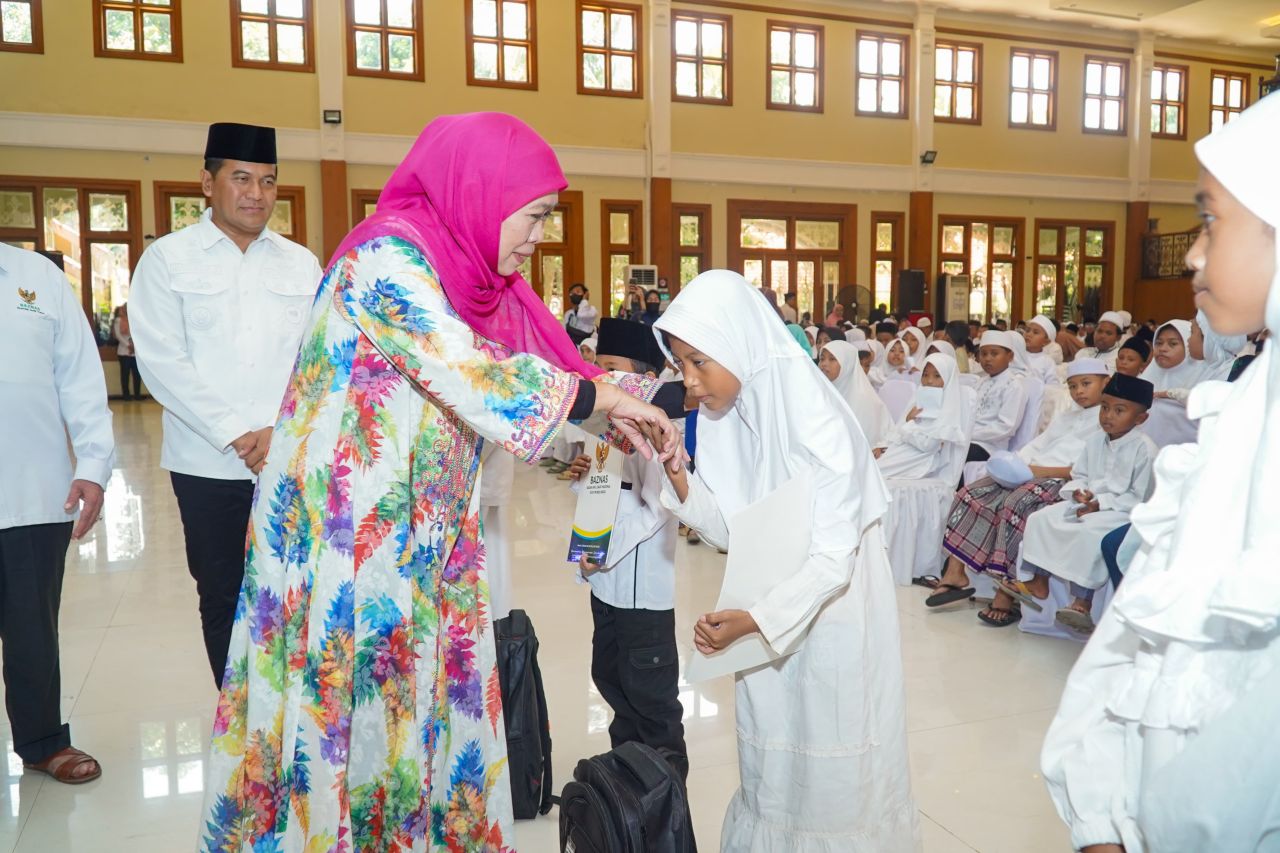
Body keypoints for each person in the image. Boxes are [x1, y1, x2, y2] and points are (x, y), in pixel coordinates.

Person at [197, 113, 680, 851]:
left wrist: (615, 421)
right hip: (344, 551)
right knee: (347, 726)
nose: (539, 236)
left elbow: (528, 377)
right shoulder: (386, 262)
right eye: (535, 216)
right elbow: (471, 370)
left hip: (422, 540)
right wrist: (598, 399)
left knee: (420, 720)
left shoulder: (474, 282)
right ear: (481, 195)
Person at [1040, 91, 1279, 853]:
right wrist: (1104, 811)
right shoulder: (1253, 400)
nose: (1197, 254)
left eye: (1211, 219)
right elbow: (1144, 636)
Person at [648, 269, 919, 851]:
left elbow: (831, 557)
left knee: (832, 764)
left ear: (740, 342)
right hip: (770, 602)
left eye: (699, 362)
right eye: (681, 366)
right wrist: (677, 470)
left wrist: (757, 620)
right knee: (774, 764)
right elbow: (733, 532)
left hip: (831, 611)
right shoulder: (731, 412)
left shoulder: (814, 416)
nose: (690, 383)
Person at [129, 122, 324, 687]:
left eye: (267, 181)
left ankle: (293, 725)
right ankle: (239, 731)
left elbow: (317, 361)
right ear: (207, 183)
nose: (256, 193)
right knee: (224, 597)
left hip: (288, 460)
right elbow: (164, 363)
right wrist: (241, 434)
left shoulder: (300, 263)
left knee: (296, 593)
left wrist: (281, 435)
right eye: (240, 178)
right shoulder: (168, 260)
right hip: (207, 466)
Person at [0, 244, 115, 785]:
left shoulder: (37, 277)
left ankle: (44, 740)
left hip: (32, 488)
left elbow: (80, 375)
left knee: (32, 628)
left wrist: (93, 463)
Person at [566, 318, 687, 779]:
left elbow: (658, 506)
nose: (604, 381)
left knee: (653, 708)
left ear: (642, 380)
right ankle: (628, 794)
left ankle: (664, 809)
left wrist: (603, 551)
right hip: (606, 589)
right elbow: (601, 497)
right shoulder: (607, 429)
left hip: (643, 597)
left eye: (613, 370)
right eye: (599, 368)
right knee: (614, 688)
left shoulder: (659, 432)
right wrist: (584, 479)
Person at [926, 359, 1111, 618]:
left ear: (1106, 382)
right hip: (1032, 471)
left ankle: (1006, 592)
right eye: (1073, 386)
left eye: (1086, 384)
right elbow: (1038, 443)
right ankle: (955, 573)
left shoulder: (1110, 418)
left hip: (1061, 481)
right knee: (971, 494)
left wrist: (1037, 472)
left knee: (1016, 503)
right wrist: (1018, 464)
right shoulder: (1068, 414)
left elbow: (1083, 469)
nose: (1079, 391)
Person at [1018, 373, 1157, 633]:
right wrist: (1080, 493)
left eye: (1119, 411)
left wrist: (1099, 503)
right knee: (1041, 518)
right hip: (1089, 503)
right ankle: (1038, 579)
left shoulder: (1144, 449)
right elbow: (1080, 475)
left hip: (1121, 511)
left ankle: (1082, 602)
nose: (1108, 416)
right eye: (1105, 408)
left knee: (1090, 533)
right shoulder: (1094, 441)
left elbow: (1140, 497)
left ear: (1140, 418)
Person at [874, 353, 969, 480]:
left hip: (919, 458)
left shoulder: (948, 408)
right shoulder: (919, 397)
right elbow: (899, 429)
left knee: (874, 472)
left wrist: (909, 423)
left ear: (948, 379)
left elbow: (928, 445)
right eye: (925, 375)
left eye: (937, 376)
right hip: (903, 450)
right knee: (867, 464)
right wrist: (884, 445)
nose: (929, 381)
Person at [963, 330, 1028, 473]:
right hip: (966, 439)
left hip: (989, 447)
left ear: (1010, 356)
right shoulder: (980, 382)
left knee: (958, 455)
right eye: (983, 354)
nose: (987, 359)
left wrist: (969, 434)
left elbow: (1006, 426)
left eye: (994, 353)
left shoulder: (1014, 385)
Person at [819, 340, 893, 447]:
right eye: (822, 359)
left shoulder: (864, 400)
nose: (824, 364)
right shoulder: (819, 392)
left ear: (847, 364)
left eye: (832, 359)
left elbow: (864, 442)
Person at [111, 303, 142, 400]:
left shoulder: (135, 319)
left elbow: (139, 334)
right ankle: (126, 396)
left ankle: (137, 395)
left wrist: (134, 346)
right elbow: (118, 335)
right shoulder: (118, 320)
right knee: (125, 375)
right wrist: (129, 345)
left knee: (137, 374)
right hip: (124, 352)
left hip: (135, 352)